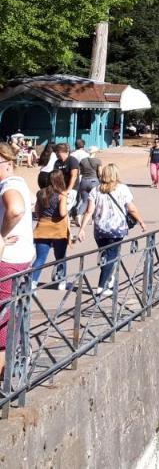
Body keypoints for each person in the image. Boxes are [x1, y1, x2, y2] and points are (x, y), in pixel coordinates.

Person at [76, 163, 145, 295]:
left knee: (105, 255)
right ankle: (102, 286)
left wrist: (82, 229)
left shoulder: (96, 190)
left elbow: (89, 211)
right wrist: (141, 221)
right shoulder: (122, 189)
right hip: (116, 229)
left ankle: (109, 276)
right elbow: (131, 208)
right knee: (111, 255)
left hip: (100, 229)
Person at [0, 142, 35, 373]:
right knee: (12, 313)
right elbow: (32, 200)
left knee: (2, 320)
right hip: (23, 257)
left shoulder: (7, 186)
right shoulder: (20, 182)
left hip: (8, 260)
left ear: (8, 164)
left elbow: (16, 208)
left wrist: (2, 234)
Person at [30, 169, 70, 288]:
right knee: (60, 257)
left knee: (40, 258)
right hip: (58, 229)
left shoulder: (41, 193)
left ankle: (32, 282)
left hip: (42, 228)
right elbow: (62, 213)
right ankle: (61, 281)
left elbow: (37, 212)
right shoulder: (62, 195)